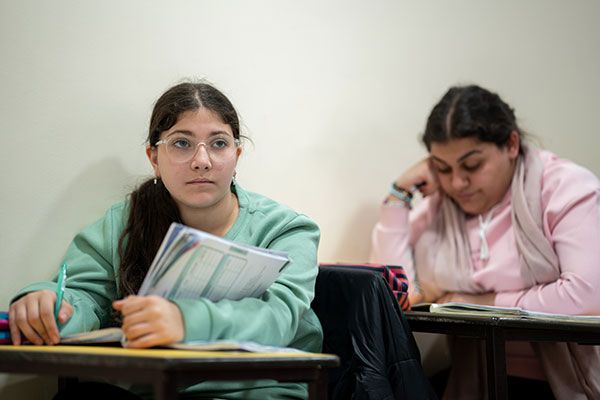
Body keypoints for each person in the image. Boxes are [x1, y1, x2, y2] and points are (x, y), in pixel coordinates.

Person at [8, 81, 322, 400]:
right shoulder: (124, 222)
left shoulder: (287, 229)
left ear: (236, 155)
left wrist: (183, 320)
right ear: (154, 157)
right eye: (182, 143)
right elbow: (85, 296)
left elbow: (281, 317)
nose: (202, 160)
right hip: (155, 390)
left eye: (218, 143)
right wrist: (47, 305)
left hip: (256, 391)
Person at [370, 84, 600, 399]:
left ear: (511, 144)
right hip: (477, 378)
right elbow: (396, 290)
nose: (457, 182)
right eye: (443, 168)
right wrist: (398, 197)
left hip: (567, 383)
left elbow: (587, 297)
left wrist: (478, 304)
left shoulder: (565, 187)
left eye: (472, 165)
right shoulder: (443, 206)